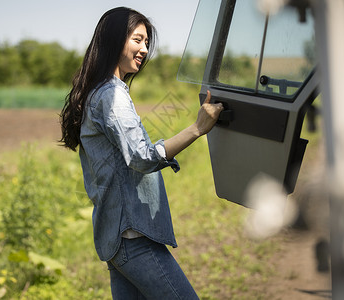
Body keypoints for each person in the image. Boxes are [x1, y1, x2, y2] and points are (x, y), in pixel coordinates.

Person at [60, 7, 223, 299]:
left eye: (146, 42)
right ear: (114, 40)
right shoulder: (111, 94)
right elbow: (142, 157)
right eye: (138, 40)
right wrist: (197, 129)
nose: (144, 49)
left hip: (118, 239)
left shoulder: (98, 92)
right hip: (133, 238)